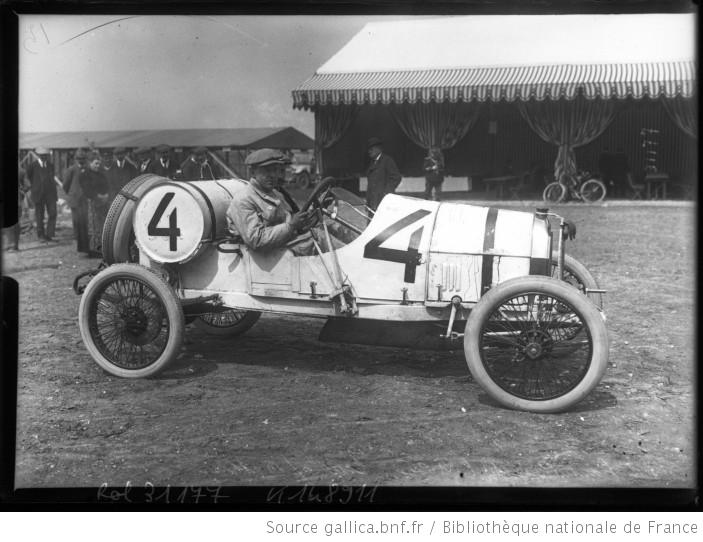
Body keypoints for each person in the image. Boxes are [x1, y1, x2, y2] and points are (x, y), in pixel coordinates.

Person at [226, 148, 342, 256]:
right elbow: (256, 240)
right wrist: (291, 226)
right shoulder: (243, 200)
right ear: (252, 172)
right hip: (266, 255)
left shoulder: (277, 194)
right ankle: (353, 266)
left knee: (332, 226)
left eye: (276, 170)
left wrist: (314, 210)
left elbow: (293, 219)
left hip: (287, 244)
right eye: (267, 171)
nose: (273, 175)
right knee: (320, 237)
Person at [79, 152, 110, 257]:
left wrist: (106, 195)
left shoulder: (101, 174)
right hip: (90, 204)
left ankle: (101, 247)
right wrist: (98, 196)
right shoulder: (84, 175)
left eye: (99, 164)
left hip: (103, 204)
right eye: (96, 163)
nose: (98, 166)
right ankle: (93, 250)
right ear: (89, 163)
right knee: (93, 226)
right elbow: (87, 189)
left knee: (102, 226)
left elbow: (106, 185)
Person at [25, 146, 58, 243]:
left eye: (46, 155)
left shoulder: (51, 165)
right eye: (42, 155)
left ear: (48, 156)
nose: (44, 157)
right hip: (38, 195)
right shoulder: (32, 166)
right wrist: (33, 188)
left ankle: (50, 234)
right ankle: (41, 236)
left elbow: (52, 179)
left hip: (50, 195)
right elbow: (28, 178)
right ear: (38, 155)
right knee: (39, 216)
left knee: (53, 213)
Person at [62, 148, 91, 253]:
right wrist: (71, 194)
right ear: (75, 159)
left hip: (85, 199)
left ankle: (84, 241)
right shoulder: (71, 170)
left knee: (84, 220)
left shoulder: (88, 168)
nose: (81, 160)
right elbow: (65, 185)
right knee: (76, 220)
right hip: (74, 199)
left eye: (83, 158)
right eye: (79, 158)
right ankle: (76, 238)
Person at [365, 137, 401, 210]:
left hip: (384, 201)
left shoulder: (387, 161)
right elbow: (370, 184)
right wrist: (368, 201)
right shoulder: (372, 162)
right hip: (373, 201)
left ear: (378, 149)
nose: (369, 152)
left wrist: (386, 193)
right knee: (372, 220)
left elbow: (396, 178)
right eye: (368, 150)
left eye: (371, 149)